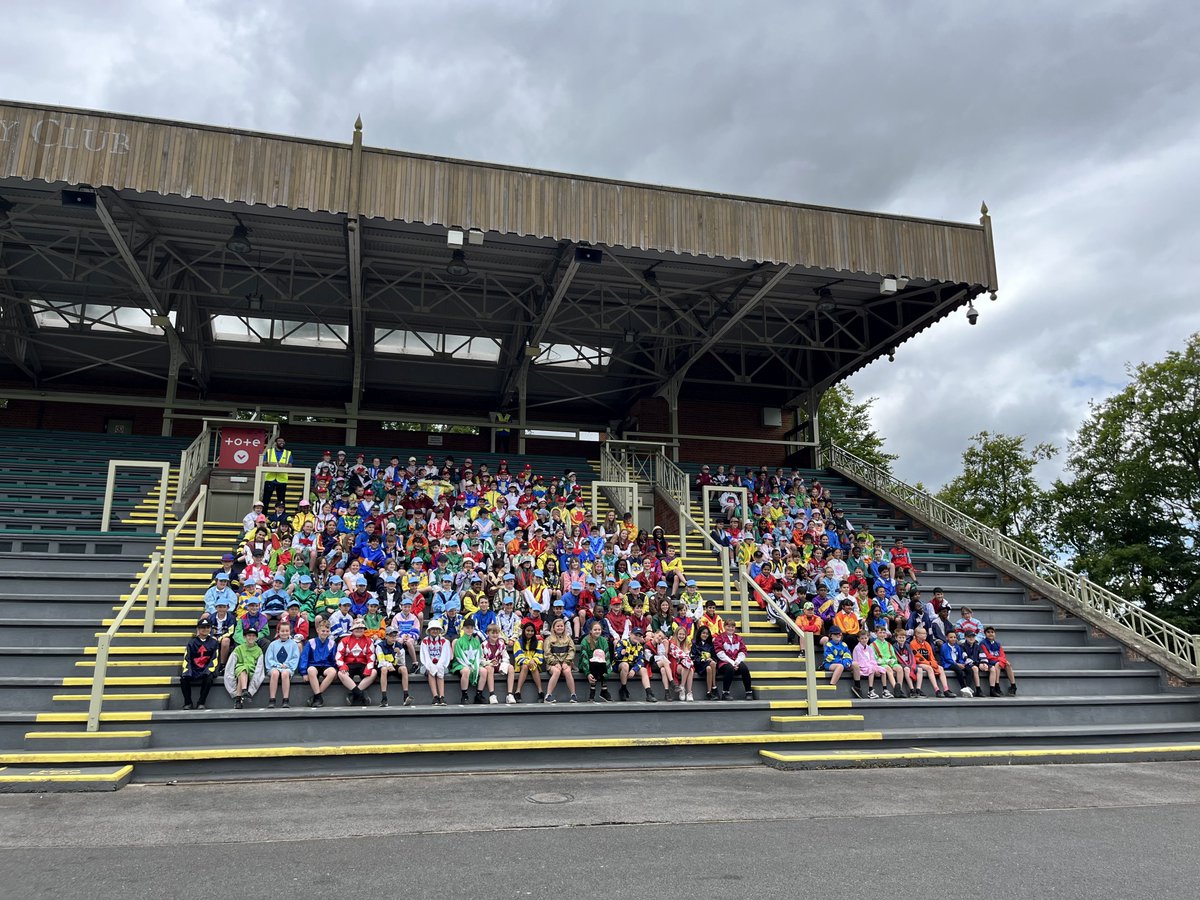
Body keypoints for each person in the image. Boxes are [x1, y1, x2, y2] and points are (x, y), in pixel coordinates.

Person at [336, 618, 378, 705]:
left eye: (361, 628)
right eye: (357, 628)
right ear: (352, 629)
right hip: (348, 664)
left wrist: (368, 669)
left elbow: (371, 656)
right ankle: (359, 694)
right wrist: (342, 666)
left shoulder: (369, 641)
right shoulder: (344, 640)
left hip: (362, 664)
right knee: (341, 673)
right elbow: (339, 655)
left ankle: (353, 694)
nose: (359, 630)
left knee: (373, 672)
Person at [180, 617, 219, 710]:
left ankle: (201, 702)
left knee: (209, 678)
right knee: (184, 678)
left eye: (207, 627)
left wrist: (208, 670)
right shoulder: (192, 642)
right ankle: (188, 702)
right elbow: (187, 658)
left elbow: (215, 658)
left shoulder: (214, 642)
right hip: (194, 668)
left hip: (207, 668)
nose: (205, 629)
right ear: (198, 629)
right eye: (202, 627)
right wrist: (188, 671)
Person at [300, 620, 339, 707]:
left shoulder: (332, 643)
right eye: (323, 631)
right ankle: (318, 697)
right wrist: (304, 672)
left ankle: (317, 697)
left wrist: (336, 668)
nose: (325, 633)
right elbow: (304, 657)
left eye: (327, 631)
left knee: (332, 672)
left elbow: (334, 658)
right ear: (318, 630)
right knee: (311, 670)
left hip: (326, 665)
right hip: (314, 664)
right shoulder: (311, 642)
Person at [263, 619, 300, 708]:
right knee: (275, 673)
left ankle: (285, 699)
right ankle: (272, 699)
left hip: (287, 667)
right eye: (282, 631)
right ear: (278, 631)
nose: (284, 633)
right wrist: (278, 665)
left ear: (290, 631)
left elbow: (295, 658)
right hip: (274, 667)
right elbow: (269, 659)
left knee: (284, 673)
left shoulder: (293, 644)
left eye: (286, 631)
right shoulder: (273, 644)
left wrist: (286, 665)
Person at [715, 619, 754, 701]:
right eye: (728, 626)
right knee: (729, 668)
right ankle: (725, 693)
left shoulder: (738, 638)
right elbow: (720, 653)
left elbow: (743, 651)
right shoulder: (719, 637)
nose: (730, 628)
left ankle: (748, 692)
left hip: (736, 662)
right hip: (724, 663)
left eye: (732, 627)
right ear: (724, 627)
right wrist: (732, 663)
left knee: (744, 668)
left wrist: (737, 661)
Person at [613, 627, 655, 703]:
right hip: (620, 665)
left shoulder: (639, 647)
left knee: (644, 670)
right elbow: (616, 657)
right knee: (625, 665)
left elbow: (641, 661)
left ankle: (649, 693)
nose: (637, 637)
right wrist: (621, 654)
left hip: (632, 666)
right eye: (636, 635)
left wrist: (634, 670)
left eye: (640, 636)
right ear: (631, 634)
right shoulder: (622, 642)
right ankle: (623, 688)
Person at [375, 625, 414, 707]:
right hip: (384, 665)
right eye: (391, 635)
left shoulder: (399, 646)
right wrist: (389, 665)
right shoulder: (380, 645)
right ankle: (384, 698)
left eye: (395, 635)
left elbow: (402, 663)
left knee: (404, 669)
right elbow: (381, 661)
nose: (393, 637)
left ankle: (406, 696)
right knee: (384, 669)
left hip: (395, 666)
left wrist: (399, 654)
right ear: (386, 636)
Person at [227, 625, 264, 709]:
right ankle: (244, 691)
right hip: (240, 670)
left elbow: (259, 667)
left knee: (244, 671)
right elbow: (230, 665)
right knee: (243, 670)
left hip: (251, 671)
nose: (251, 637)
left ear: (256, 638)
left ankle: (238, 699)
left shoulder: (258, 650)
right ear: (244, 637)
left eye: (253, 636)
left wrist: (252, 688)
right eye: (249, 635)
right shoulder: (238, 649)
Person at [542, 616, 577, 703]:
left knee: (567, 671)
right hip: (553, 664)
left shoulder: (568, 639)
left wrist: (566, 662)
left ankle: (573, 695)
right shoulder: (549, 639)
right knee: (557, 671)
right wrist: (555, 662)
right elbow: (547, 654)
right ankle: (548, 696)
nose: (560, 628)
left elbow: (572, 651)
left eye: (561, 626)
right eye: (557, 626)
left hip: (565, 662)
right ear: (553, 628)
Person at [452, 617, 486, 705]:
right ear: (463, 628)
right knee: (466, 671)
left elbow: (478, 655)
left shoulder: (476, 641)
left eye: (471, 628)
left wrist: (475, 665)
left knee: (484, 671)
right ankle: (464, 695)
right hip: (460, 663)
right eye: (467, 627)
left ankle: (479, 694)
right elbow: (459, 656)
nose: (469, 630)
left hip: (474, 663)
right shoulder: (459, 641)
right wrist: (469, 665)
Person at [911, 626, 951, 698]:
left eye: (925, 633)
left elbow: (931, 657)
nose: (925, 635)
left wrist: (933, 663)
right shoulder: (913, 644)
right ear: (917, 634)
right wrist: (930, 663)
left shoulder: (927, 644)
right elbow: (917, 658)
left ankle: (946, 689)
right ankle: (937, 690)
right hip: (918, 664)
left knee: (941, 668)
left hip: (928, 663)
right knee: (929, 668)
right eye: (923, 633)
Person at [578, 619, 613, 702]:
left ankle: (604, 690)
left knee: (601, 662)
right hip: (587, 665)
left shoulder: (603, 640)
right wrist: (587, 673)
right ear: (590, 631)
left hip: (600, 665)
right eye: (595, 630)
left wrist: (608, 672)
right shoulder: (585, 641)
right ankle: (592, 691)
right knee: (595, 663)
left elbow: (607, 656)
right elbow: (584, 657)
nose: (597, 631)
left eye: (599, 630)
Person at [510, 621, 544, 703]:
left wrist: (533, 660)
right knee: (525, 666)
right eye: (528, 631)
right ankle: (517, 691)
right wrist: (529, 661)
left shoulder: (538, 642)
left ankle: (540, 691)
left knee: (534, 666)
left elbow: (539, 654)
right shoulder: (518, 642)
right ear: (524, 631)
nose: (530, 633)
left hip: (534, 663)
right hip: (522, 664)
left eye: (532, 631)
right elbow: (519, 656)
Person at [421, 618, 452, 707]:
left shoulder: (445, 641)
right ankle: (435, 696)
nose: (435, 631)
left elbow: (444, 656)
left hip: (441, 664)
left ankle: (442, 696)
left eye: (437, 629)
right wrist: (431, 665)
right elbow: (425, 656)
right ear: (429, 630)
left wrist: (438, 665)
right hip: (427, 664)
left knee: (440, 670)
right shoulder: (425, 641)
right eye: (433, 629)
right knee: (431, 672)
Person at [981, 626, 1018, 696]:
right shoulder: (983, 643)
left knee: (1008, 664)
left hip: (998, 661)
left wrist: (1001, 660)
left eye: (992, 632)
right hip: (990, 662)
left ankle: (1013, 686)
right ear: (985, 634)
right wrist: (1000, 660)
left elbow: (1002, 655)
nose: (990, 634)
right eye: (988, 632)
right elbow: (987, 656)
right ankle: (997, 686)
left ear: (995, 634)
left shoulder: (998, 644)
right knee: (998, 664)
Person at [480, 621, 511, 704]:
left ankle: (510, 694)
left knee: (511, 667)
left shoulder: (501, 644)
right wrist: (489, 662)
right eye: (493, 633)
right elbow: (480, 660)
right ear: (487, 633)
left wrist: (502, 665)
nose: (495, 635)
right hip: (489, 665)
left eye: (497, 633)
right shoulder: (483, 645)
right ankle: (492, 694)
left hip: (499, 665)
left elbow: (506, 657)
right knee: (489, 669)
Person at [869, 624, 903, 698]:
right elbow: (874, 658)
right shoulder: (872, 645)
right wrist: (885, 661)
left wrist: (892, 661)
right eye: (880, 632)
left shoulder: (889, 644)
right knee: (888, 668)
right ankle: (895, 688)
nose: (882, 634)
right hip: (881, 664)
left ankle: (899, 689)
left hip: (890, 662)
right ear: (876, 633)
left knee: (899, 668)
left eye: (884, 632)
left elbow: (894, 656)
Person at [261, 434, 294, 508]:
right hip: (270, 478)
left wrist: (271, 464)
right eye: (279, 441)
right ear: (275, 443)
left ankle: (282, 517)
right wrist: (279, 464)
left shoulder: (288, 453)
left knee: (281, 500)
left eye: (283, 441)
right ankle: (263, 517)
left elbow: (290, 466)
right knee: (266, 499)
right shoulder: (269, 451)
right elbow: (265, 464)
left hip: (282, 479)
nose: (281, 442)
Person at [850, 630, 885, 699]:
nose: (864, 640)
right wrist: (872, 668)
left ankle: (885, 690)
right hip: (862, 667)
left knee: (883, 670)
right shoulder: (857, 648)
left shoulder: (869, 648)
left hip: (870, 666)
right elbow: (860, 661)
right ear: (858, 639)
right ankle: (870, 690)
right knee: (871, 669)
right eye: (862, 638)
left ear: (868, 638)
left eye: (865, 638)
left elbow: (873, 659)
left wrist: (875, 667)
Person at [691, 624, 718, 700]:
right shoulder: (695, 644)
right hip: (699, 665)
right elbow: (694, 657)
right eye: (703, 633)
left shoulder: (710, 645)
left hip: (709, 666)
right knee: (710, 664)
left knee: (710, 667)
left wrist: (711, 659)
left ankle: (709, 692)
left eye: (707, 633)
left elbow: (714, 657)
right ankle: (714, 687)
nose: (705, 635)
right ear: (699, 633)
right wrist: (704, 659)